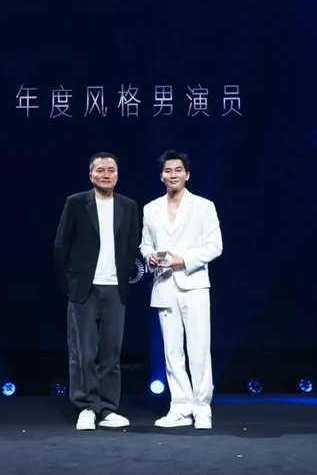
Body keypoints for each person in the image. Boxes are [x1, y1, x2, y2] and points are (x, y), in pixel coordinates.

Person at [53, 153, 142, 431]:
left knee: (111, 353)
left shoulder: (128, 206)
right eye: (100, 170)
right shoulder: (77, 202)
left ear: (118, 174)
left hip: (115, 289)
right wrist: (71, 285)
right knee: (83, 352)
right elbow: (61, 247)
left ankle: (107, 408)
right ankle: (86, 407)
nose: (106, 174)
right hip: (84, 289)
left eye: (111, 170)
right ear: (90, 175)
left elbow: (132, 246)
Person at [141, 150, 223, 429]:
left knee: (199, 349)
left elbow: (215, 246)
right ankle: (179, 407)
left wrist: (183, 260)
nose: (173, 174)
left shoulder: (203, 206)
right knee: (172, 351)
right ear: (161, 176)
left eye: (178, 170)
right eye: (168, 170)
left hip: (194, 284)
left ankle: (202, 408)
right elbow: (145, 243)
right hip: (164, 285)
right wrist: (150, 256)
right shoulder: (151, 208)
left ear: (187, 174)